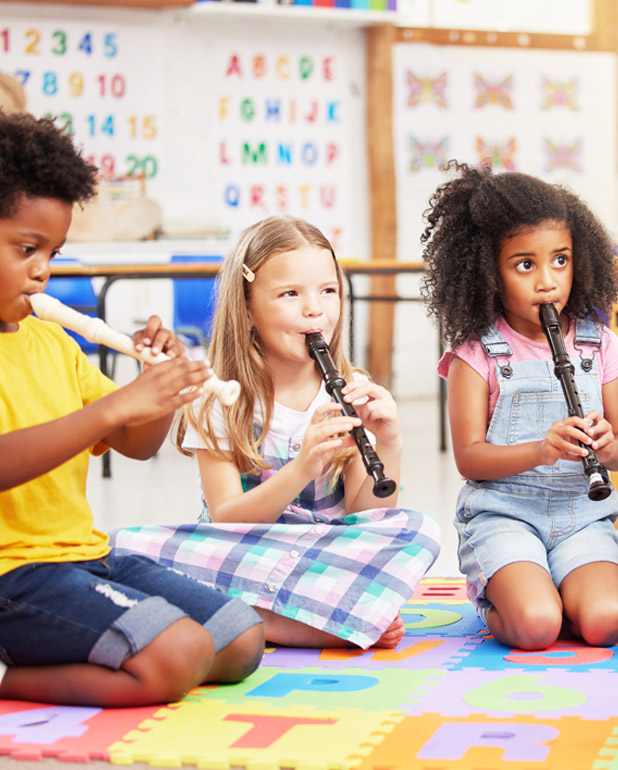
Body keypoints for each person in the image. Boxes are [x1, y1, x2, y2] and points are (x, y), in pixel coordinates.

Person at [0, 111, 265, 707]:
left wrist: (155, 389)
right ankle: (9, 681)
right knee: (178, 656)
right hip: (11, 577)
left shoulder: (51, 342)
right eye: (26, 248)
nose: (42, 269)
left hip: (85, 556)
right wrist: (116, 404)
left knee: (239, 639)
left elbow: (135, 444)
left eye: (53, 251)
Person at [112, 215, 441, 650]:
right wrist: (301, 469)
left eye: (328, 291)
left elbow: (366, 515)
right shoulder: (219, 398)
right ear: (247, 309)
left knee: (420, 530)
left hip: (320, 556)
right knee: (123, 548)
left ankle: (250, 614)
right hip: (243, 551)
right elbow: (227, 520)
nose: (315, 310)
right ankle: (307, 621)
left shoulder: (351, 386)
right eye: (290, 294)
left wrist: (390, 443)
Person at [422, 161, 618, 651]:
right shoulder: (475, 355)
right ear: (487, 273)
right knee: (537, 628)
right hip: (504, 514)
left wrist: (607, 447)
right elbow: (469, 458)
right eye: (525, 265)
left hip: (582, 514)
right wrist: (542, 449)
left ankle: (555, 587)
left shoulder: (599, 343)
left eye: (560, 260)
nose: (548, 282)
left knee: (606, 625)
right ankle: (501, 598)